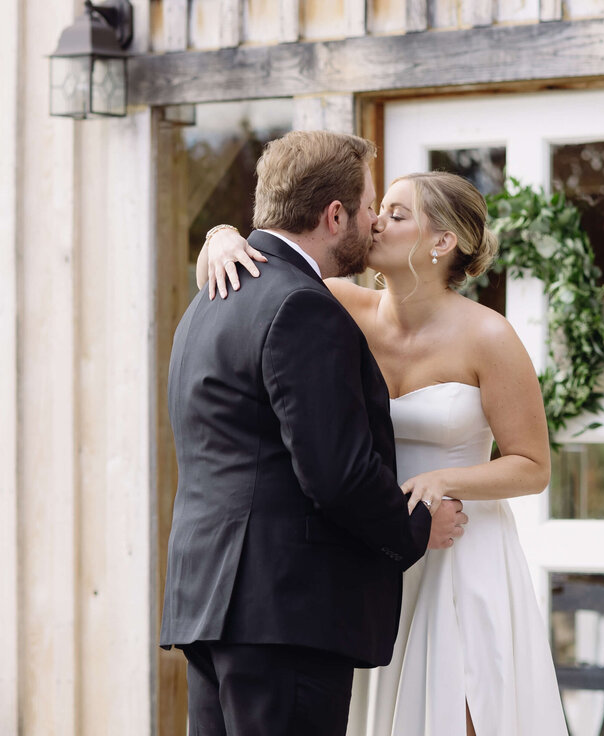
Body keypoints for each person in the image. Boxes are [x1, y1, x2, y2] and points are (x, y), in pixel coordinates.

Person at [200, 169, 568, 736]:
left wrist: (445, 481)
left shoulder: (489, 337)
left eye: (397, 215)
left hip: (459, 547)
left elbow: (532, 466)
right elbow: (265, 273)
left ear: (442, 242)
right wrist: (223, 234)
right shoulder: (338, 304)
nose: (375, 222)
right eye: (380, 209)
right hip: (373, 548)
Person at [161, 130, 468, 736]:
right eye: (368, 206)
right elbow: (336, 472)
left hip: (209, 605)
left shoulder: (210, 299)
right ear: (334, 216)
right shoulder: (302, 306)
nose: (374, 220)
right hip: (283, 617)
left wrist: (220, 235)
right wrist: (415, 527)